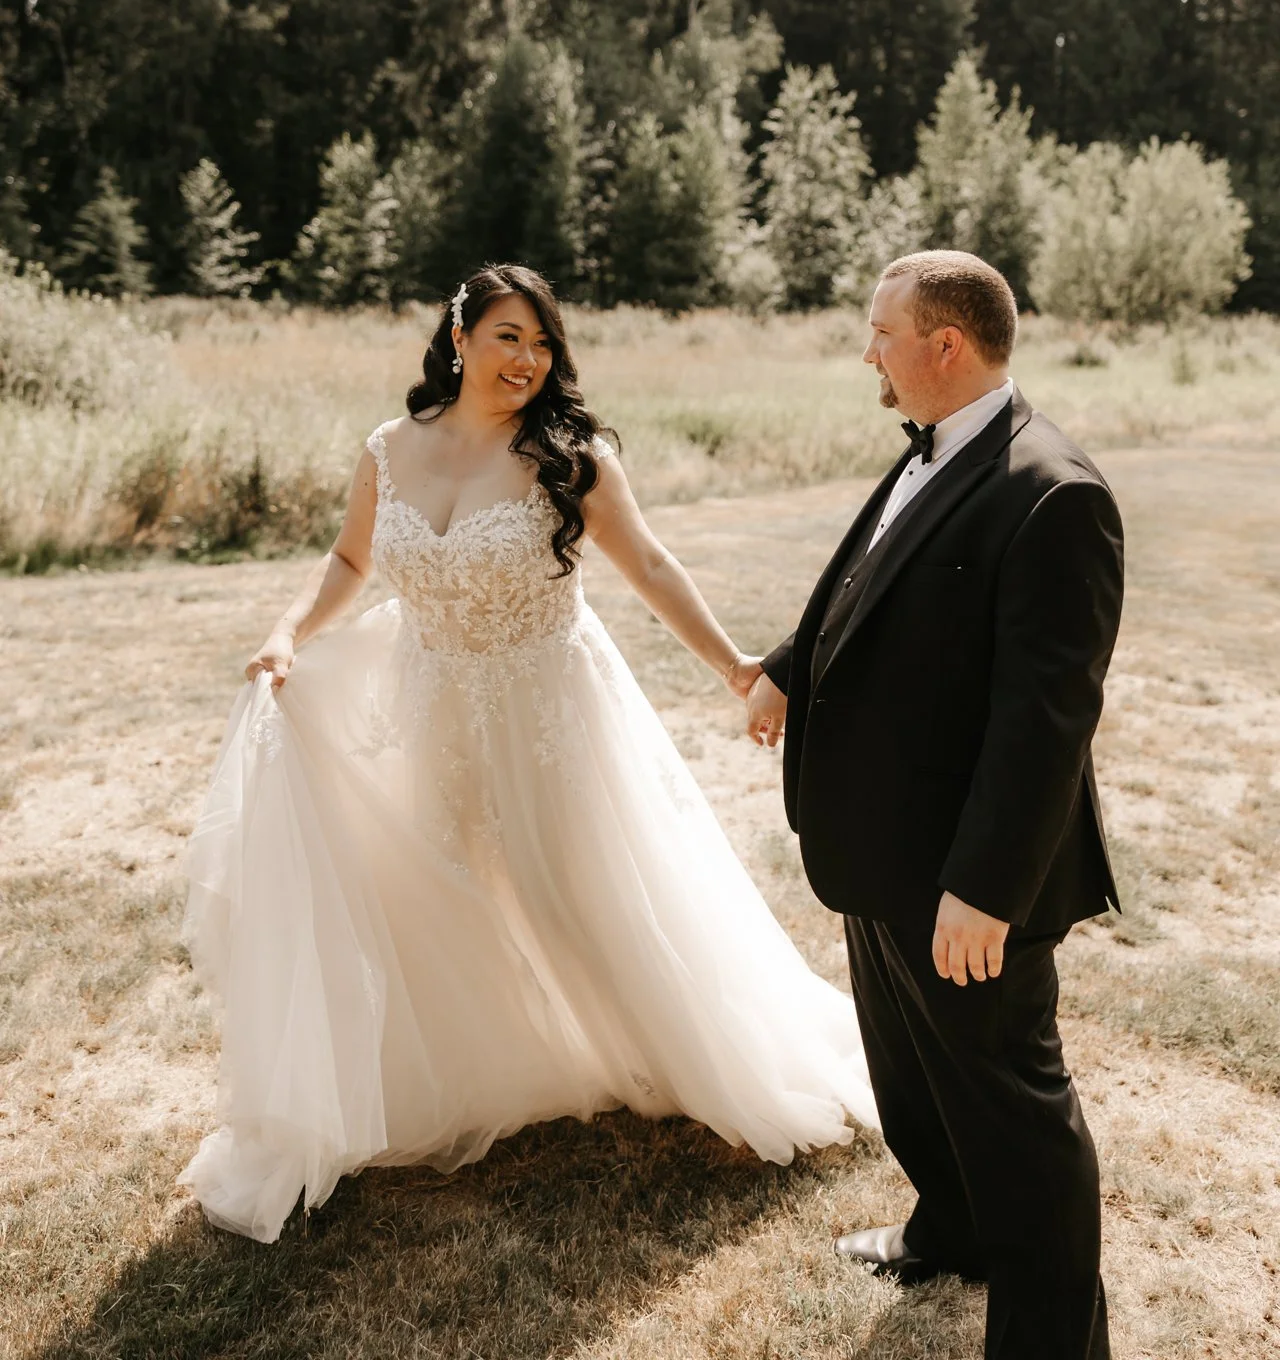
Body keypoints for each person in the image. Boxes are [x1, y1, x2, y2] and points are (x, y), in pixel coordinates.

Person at [181, 262, 877, 1243]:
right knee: (442, 889)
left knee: (583, 893)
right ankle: (489, 1061)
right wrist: (290, 631)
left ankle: (698, 1052)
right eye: (509, 337)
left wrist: (732, 667)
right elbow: (348, 561)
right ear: (459, 335)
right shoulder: (389, 449)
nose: (528, 360)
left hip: (550, 710)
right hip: (430, 703)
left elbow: (649, 564)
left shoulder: (572, 456)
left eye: (543, 343)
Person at [746, 249, 1122, 1360]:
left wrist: (984, 887)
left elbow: (1043, 722)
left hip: (962, 876)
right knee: (908, 1073)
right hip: (878, 849)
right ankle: (947, 1230)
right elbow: (865, 575)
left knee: (1016, 1115)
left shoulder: (1052, 492)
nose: (867, 350)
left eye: (879, 332)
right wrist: (785, 660)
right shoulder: (932, 450)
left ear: (941, 345)